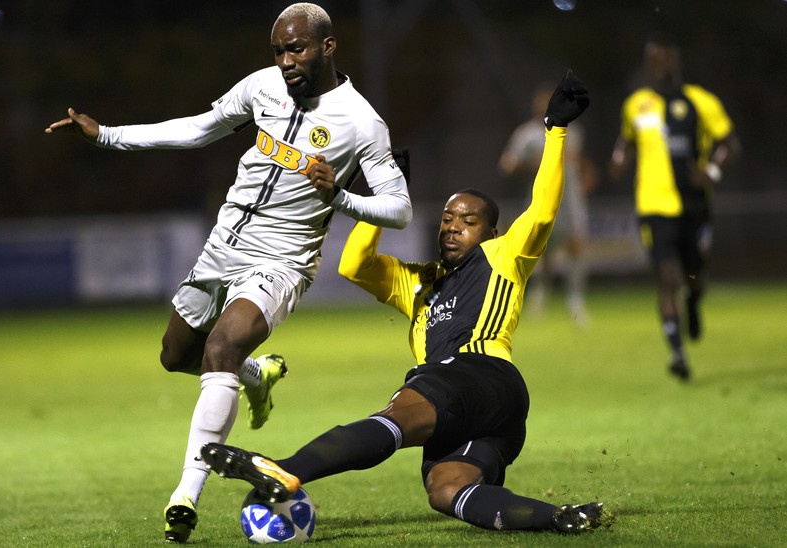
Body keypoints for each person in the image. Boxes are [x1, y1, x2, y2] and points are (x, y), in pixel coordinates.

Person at [45, 3, 412, 543]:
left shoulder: (361, 122)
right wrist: (107, 135)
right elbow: (199, 129)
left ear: (328, 47)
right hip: (222, 246)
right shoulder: (262, 86)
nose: (287, 61)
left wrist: (340, 196)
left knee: (221, 348)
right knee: (175, 356)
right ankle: (254, 376)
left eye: (298, 49)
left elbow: (400, 209)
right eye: (279, 50)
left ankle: (185, 495)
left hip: (281, 260)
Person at [201, 71, 611, 535]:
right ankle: (558, 518)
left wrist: (555, 130)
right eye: (447, 218)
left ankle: (286, 468)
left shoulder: (503, 256)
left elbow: (543, 209)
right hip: (483, 411)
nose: (453, 226)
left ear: (490, 233)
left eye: (468, 220)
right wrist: (378, 198)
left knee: (397, 416)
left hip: (481, 375)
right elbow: (355, 264)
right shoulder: (418, 283)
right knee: (447, 489)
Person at [610, 34, 740, 381]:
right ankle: (677, 352)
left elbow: (730, 143)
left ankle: (694, 301)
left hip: (694, 206)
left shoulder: (700, 101)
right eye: (654, 60)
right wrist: (620, 158)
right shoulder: (636, 104)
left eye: (665, 59)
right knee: (667, 278)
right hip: (653, 205)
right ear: (648, 64)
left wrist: (711, 171)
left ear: (675, 62)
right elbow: (626, 140)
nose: (660, 66)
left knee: (695, 275)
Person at [499, 83, 598, 326]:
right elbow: (507, 164)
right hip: (541, 199)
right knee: (541, 252)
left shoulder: (572, 131)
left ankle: (575, 301)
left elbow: (579, 162)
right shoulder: (527, 134)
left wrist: (587, 179)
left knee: (575, 245)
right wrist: (529, 164)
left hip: (571, 200)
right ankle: (539, 292)